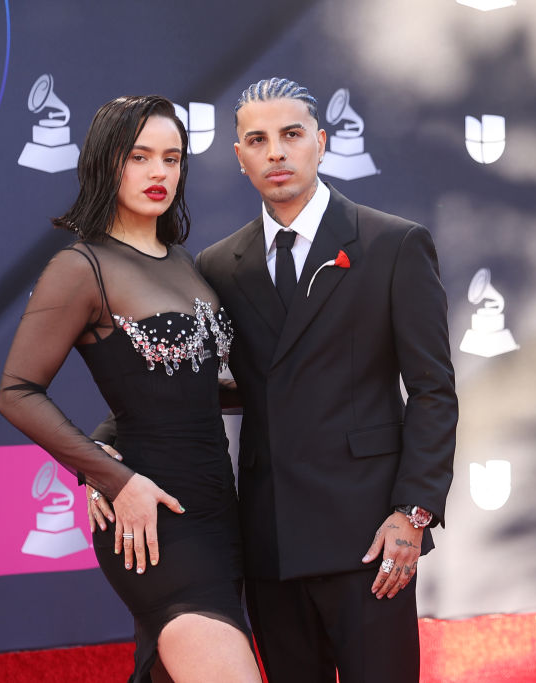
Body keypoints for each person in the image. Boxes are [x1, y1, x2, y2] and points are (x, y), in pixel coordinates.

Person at [95, 77, 458, 683]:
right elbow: (185, 375)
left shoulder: (392, 245)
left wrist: (412, 514)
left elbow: (432, 390)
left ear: (320, 141)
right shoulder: (217, 265)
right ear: (239, 158)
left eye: (291, 135)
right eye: (257, 140)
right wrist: (111, 438)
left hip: (368, 535)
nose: (276, 153)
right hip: (270, 538)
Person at [0, 95, 262, 683]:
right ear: (105, 163)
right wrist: (110, 475)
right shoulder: (81, 266)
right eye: (139, 156)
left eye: (172, 158)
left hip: (221, 511)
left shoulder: (184, 261)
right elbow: (16, 391)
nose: (158, 172)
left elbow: (173, 390)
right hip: (154, 519)